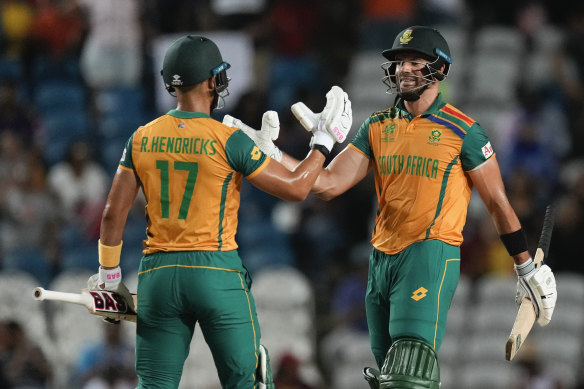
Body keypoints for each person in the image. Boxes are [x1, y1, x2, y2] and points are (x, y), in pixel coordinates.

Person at [237, 25, 558, 388]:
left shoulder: (464, 131)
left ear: (441, 69)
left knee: (409, 372)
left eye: (415, 62)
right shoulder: (377, 126)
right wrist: (273, 155)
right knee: (389, 377)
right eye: (400, 62)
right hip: (381, 262)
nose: (404, 69)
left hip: (429, 254)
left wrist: (526, 267)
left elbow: (499, 203)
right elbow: (326, 185)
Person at [87, 34, 352, 389]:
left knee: (153, 386)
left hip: (158, 275)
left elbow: (111, 216)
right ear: (214, 80)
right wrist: (323, 141)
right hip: (215, 271)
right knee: (248, 382)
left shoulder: (140, 137)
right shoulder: (228, 138)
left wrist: (108, 278)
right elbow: (297, 187)